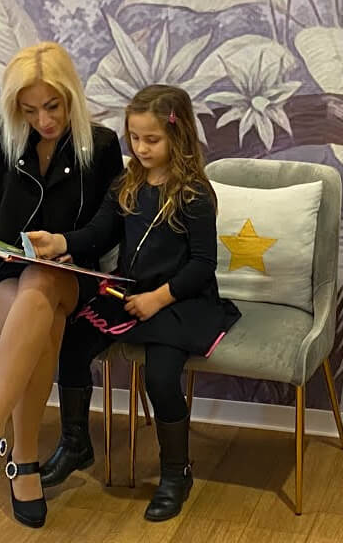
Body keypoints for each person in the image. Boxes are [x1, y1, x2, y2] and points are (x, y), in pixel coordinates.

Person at [0, 42, 122, 528]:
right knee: (41, 322)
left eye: (52, 106)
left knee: (44, 278)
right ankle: (23, 462)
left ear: (71, 95)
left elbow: (111, 223)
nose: (43, 120)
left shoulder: (101, 144)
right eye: (29, 110)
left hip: (68, 272)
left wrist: (66, 242)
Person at [28, 84, 241, 522]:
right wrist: (60, 241)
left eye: (152, 139)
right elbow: (100, 232)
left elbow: (203, 264)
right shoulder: (127, 183)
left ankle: (176, 473)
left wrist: (158, 298)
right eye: (135, 138)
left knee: (160, 377)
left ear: (177, 136)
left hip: (178, 300)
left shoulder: (194, 194)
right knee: (72, 345)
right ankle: (76, 444)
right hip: (128, 292)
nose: (141, 148)